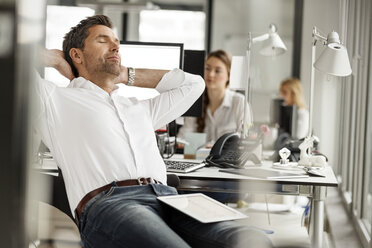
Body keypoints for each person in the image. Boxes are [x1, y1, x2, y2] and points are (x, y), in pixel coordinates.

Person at [36, 15, 272, 248]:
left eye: (116, 41)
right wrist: (55, 59)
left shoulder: (139, 108)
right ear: (77, 54)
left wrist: (126, 74)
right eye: (102, 40)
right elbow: (9, 58)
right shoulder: (54, 99)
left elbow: (194, 84)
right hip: (111, 203)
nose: (115, 45)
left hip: (169, 197)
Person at [177, 50, 252, 146]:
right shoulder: (195, 101)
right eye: (207, 68)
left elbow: (244, 140)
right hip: (198, 159)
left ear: (229, 76)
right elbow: (182, 137)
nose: (211, 74)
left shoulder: (239, 102)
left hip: (227, 160)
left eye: (217, 71)